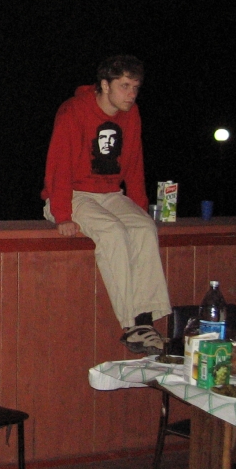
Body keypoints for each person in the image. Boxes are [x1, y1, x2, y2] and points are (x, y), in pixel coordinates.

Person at [41, 55, 171, 354]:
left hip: (110, 193)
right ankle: (132, 324)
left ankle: (145, 319)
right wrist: (62, 215)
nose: (131, 94)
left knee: (143, 227)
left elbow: (135, 164)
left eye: (135, 87)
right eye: (124, 86)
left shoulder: (132, 114)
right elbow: (59, 165)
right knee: (113, 232)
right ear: (105, 84)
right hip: (73, 193)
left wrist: (139, 207)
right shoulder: (74, 111)